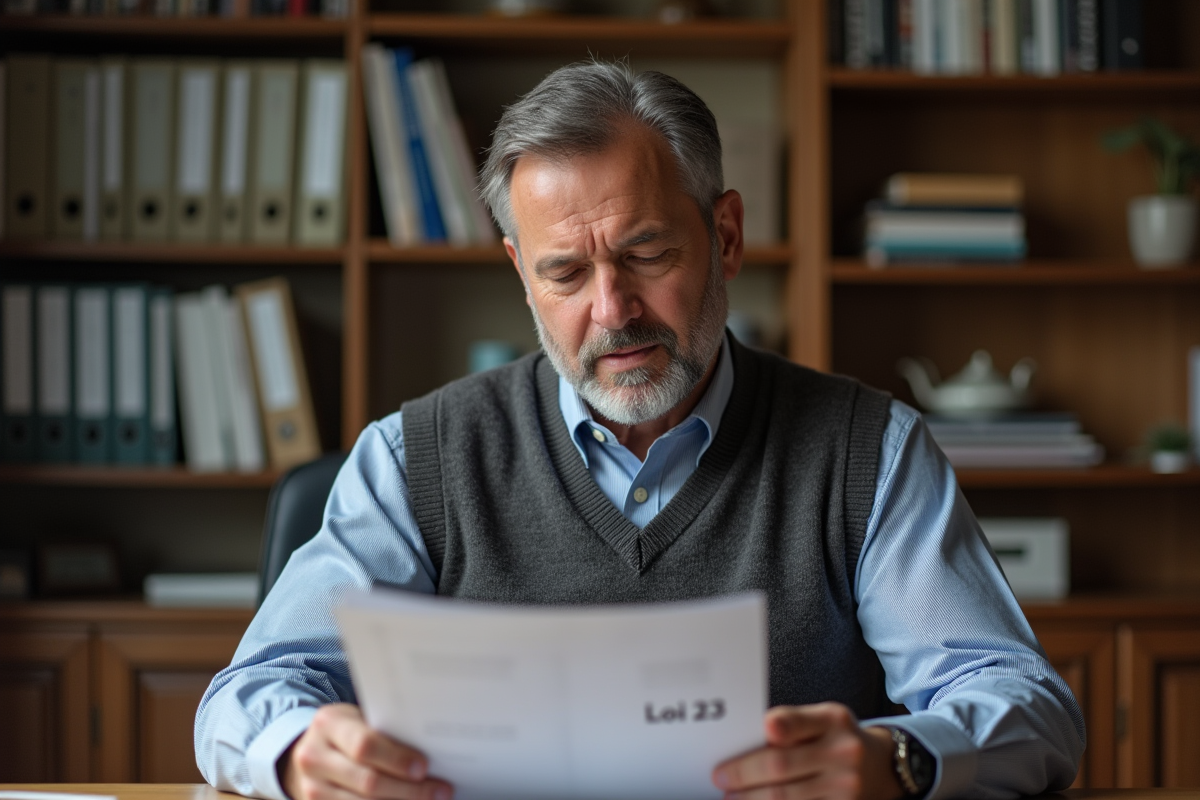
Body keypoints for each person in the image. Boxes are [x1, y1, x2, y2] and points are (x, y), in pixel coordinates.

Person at [195, 61, 1084, 800]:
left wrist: (899, 760)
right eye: (565, 273)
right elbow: (247, 694)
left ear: (725, 236)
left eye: (647, 253)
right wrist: (299, 751)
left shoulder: (870, 453)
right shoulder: (411, 460)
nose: (611, 310)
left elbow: (1026, 703)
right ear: (521, 275)